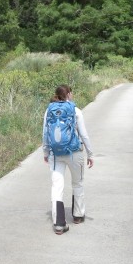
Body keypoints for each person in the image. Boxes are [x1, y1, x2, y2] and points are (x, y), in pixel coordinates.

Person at [42, 84, 94, 235]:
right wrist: (90, 154)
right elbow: (83, 135)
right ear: (69, 94)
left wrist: (46, 152)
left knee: (57, 186)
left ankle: (59, 223)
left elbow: (45, 134)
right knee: (77, 183)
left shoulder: (49, 111)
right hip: (74, 152)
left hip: (56, 154)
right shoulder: (75, 110)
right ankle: (77, 215)